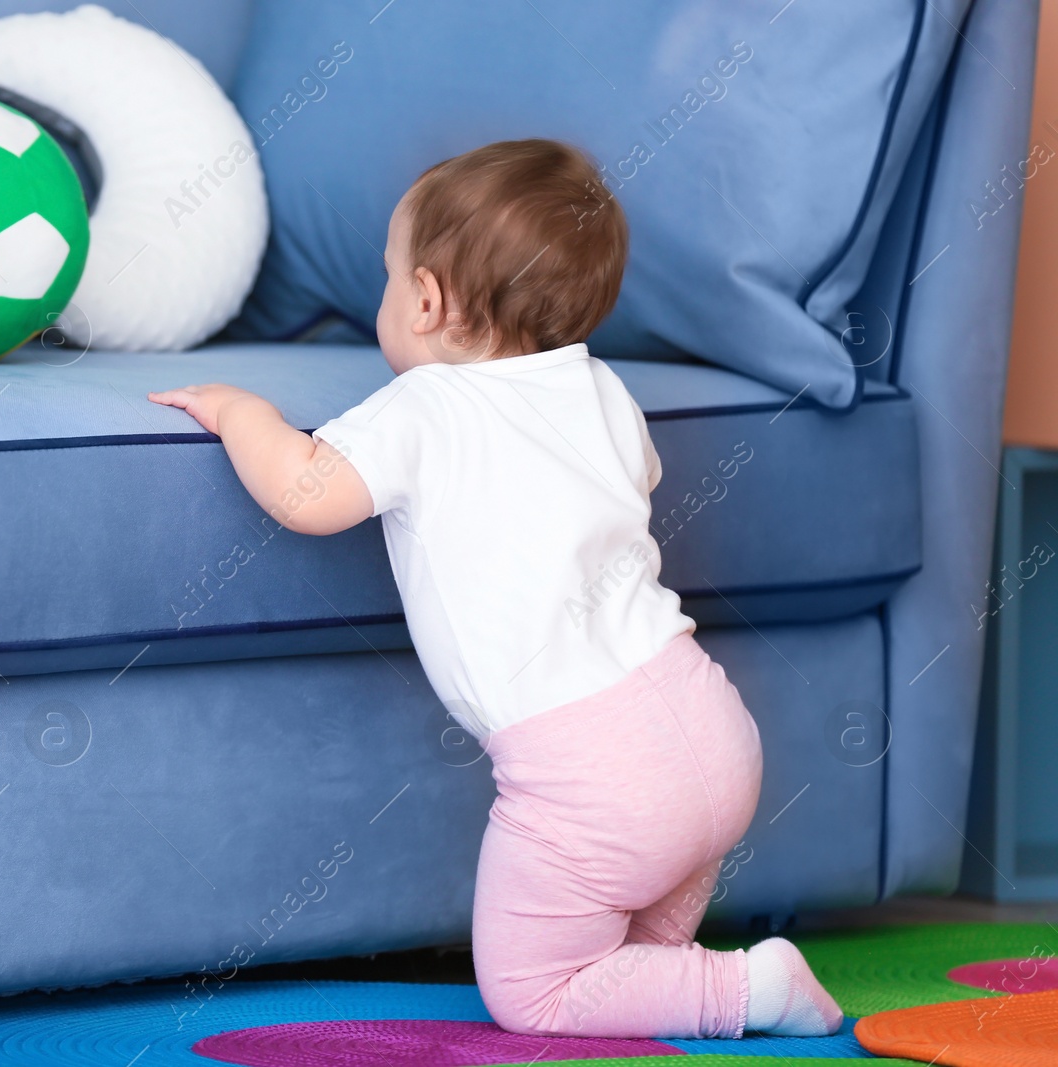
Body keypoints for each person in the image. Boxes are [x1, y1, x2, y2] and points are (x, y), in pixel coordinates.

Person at [148, 139, 844, 1040]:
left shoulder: (427, 405)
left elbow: (307, 494)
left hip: (594, 781)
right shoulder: (601, 389)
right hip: (710, 730)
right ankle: (683, 987)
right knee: (624, 961)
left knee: (534, 993)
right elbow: (636, 481)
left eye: (389, 276)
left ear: (426, 299)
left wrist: (245, 412)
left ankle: (749, 990)